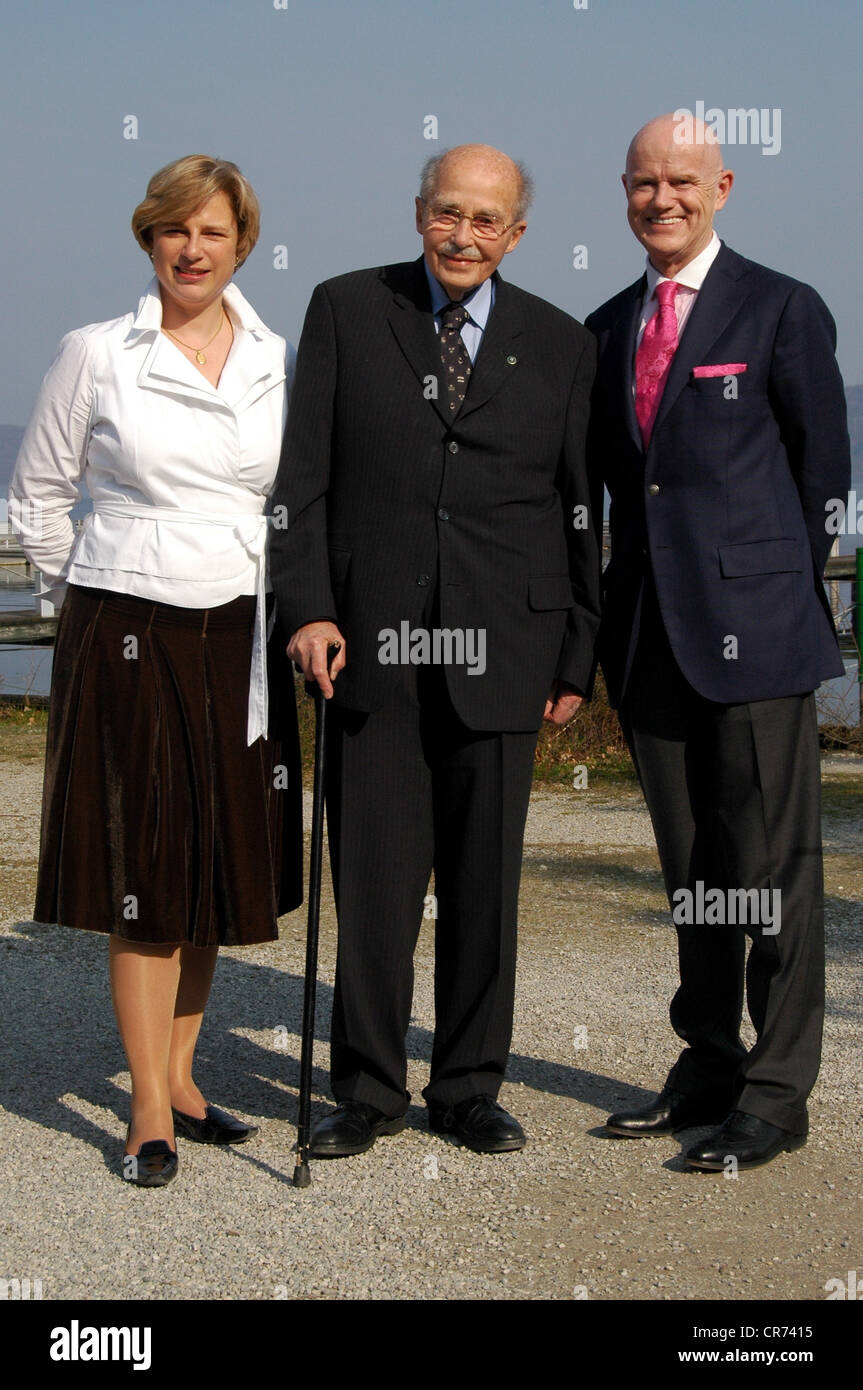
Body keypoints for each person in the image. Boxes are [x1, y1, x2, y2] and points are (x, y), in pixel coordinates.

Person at [269, 143, 600, 1158]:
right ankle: (366, 1088)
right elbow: (302, 481)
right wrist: (307, 608)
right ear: (419, 213)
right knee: (369, 880)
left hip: (508, 645)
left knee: (482, 885)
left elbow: (581, 506)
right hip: (369, 644)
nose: (463, 235)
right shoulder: (343, 308)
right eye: (446, 213)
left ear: (516, 233)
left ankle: (466, 1087)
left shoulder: (559, 342)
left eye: (485, 219)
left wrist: (575, 652)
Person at [9, 155, 302, 1187]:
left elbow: (291, 501)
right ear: (149, 240)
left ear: (240, 244)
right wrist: (84, 595)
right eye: (173, 230)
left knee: (218, 864)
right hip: (126, 620)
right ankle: (143, 1110)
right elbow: (37, 496)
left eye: (212, 232)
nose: (191, 249)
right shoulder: (95, 351)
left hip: (240, 628)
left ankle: (181, 1075)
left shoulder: (275, 354)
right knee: (147, 870)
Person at [585, 114, 850, 1170]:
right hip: (650, 639)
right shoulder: (605, 326)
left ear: (723, 185)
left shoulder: (780, 306)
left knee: (770, 867)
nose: (663, 199)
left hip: (757, 636)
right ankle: (707, 1061)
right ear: (625, 191)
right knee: (693, 868)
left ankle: (776, 1092)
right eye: (645, 182)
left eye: (683, 181)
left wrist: (763, 589)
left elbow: (815, 476)